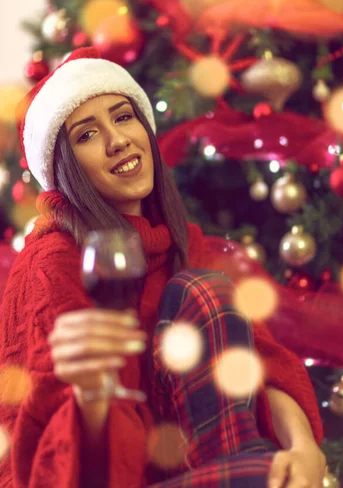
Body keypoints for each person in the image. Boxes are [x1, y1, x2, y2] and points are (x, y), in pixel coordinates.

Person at [0, 47, 325, 488]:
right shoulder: (51, 260)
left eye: (122, 117)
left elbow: (262, 360)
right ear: (65, 167)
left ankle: (244, 466)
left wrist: (303, 450)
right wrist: (90, 391)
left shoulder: (180, 238)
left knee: (202, 289)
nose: (117, 141)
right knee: (261, 476)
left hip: (205, 465)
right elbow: (43, 455)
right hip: (98, 474)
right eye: (85, 135)